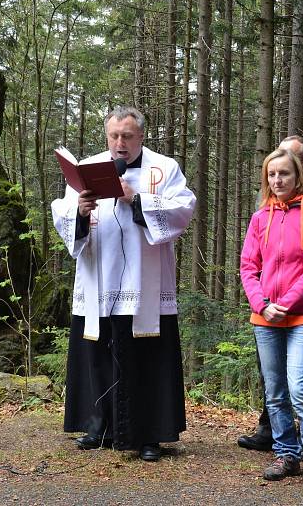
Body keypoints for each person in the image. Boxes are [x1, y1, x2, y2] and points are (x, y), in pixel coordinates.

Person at [51, 106, 196, 462]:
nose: (120, 144)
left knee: (146, 359)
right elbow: (62, 212)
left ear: (141, 137)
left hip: (144, 285)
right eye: (114, 136)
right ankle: (97, 426)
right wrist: (80, 212)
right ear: (107, 136)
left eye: (128, 136)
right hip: (99, 280)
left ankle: (149, 435)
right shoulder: (89, 168)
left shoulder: (164, 169)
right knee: (97, 356)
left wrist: (139, 200)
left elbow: (184, 209)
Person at [240, 148, 303, 491]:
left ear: (298, 176)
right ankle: (286, 453)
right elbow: (248, 267)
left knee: (300, 386)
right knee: (275, 391)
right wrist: (262, 303)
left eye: (284, 174)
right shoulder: (259, 218)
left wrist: (288, 302)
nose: (277, 180)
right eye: (272, 174)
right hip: (264, 316)